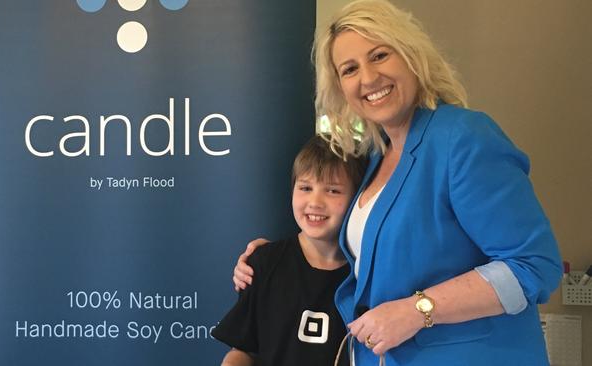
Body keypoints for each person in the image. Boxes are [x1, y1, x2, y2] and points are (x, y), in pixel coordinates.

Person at [232, 1, 562, 365]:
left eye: (379, 55)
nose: (368, 78)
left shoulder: (462, 137)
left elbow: (533, 265)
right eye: (350, 69)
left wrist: (418, 309)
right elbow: (380, 258)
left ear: (411, 55)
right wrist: (268, 260)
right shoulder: (376, 158)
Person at [212, 135, 366, 366]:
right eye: (305, 187)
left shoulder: (366, 273)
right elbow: (242, 350)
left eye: (332, 191)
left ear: (358, 198)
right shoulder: (264, 263)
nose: (315, 202)